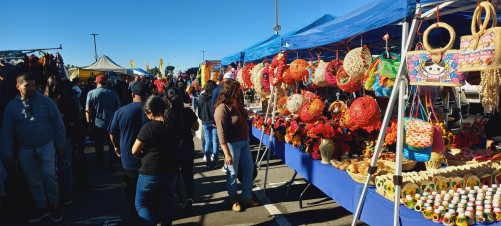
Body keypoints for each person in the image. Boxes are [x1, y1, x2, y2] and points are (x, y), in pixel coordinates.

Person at [0, 73, 66, 223]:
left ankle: (54, 204)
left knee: (50, 175)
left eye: (33, 85)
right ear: (18, 87)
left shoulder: (46, 102)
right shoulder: (11, 107)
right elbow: (6, 131)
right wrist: (7, 153)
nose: (31, 88)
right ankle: (42, 206)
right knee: (33, 180)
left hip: (46, 145)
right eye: (27, 85)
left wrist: (61, 144)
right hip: (25, 149)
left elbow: (58, 123)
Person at [132, 96, 181, 226]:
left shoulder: (149, 128)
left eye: (146, 112)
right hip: (171, 169)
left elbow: (134, 150)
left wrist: (141, 155)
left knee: (141, 203)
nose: (146, 115)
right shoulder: (174, 124)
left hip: (151, 171)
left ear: (151, 112)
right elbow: (180, 143)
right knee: (166, 203)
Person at [214, 80, 260, 212]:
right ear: (230, 92)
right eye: (237, 92)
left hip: (244, 142)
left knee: (249, 168)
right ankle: (233, 198)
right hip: (232, 145)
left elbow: (245, 116)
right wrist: (226, 153)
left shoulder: (235, 103)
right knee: (232, 172)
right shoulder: (221, 108)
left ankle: (246, 196)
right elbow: (221, 132)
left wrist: (238, 104)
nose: (239, 94)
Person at [108, 81, 149, 219]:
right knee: (149, 188)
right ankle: (149, 212)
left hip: (128, 157)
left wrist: (115, 146)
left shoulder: (121, 111)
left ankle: (135, 214)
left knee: (131, 188)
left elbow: (112, 132)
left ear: (132, 94)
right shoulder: (153, 111)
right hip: (150, 158)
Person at [45, 76, 82, 206]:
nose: (54, 88)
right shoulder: (44, 101)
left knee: (64, 165)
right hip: (47, 139)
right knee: (50, 168)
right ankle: (56, 193)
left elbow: (75, 119)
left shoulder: (67, 100)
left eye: (56, 85)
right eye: (52, 85)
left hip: (66, 136)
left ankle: (66, 193)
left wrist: (77, 137)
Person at [164, 87, 199, 215]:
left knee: (174, 174)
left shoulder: (166, 114)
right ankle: (190, 196)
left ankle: (178, 196)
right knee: (188, 174)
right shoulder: (187, 111)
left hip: (172, 148)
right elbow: (196, 126)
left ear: (168, 100)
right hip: (187, 146)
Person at [86, 75, 121, 168]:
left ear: (96, 82)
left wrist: (88, 122)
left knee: (98, 144)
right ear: (107, 82)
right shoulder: (113, 93)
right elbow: (119, 108)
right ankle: (113, 162)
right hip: (111, 123)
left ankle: (100, 161)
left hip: (97, 123)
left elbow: (87, 109)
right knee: (112, 144)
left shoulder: (91, 93)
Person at [197, 80, 219, 167]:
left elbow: (199, 110)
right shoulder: (216, 97)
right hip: (214, 121)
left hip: (205, 121)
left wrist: (202, 118)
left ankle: (208, 160)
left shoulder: (201, 97)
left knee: (208, 141)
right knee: (215, 141)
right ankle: (216, 160)